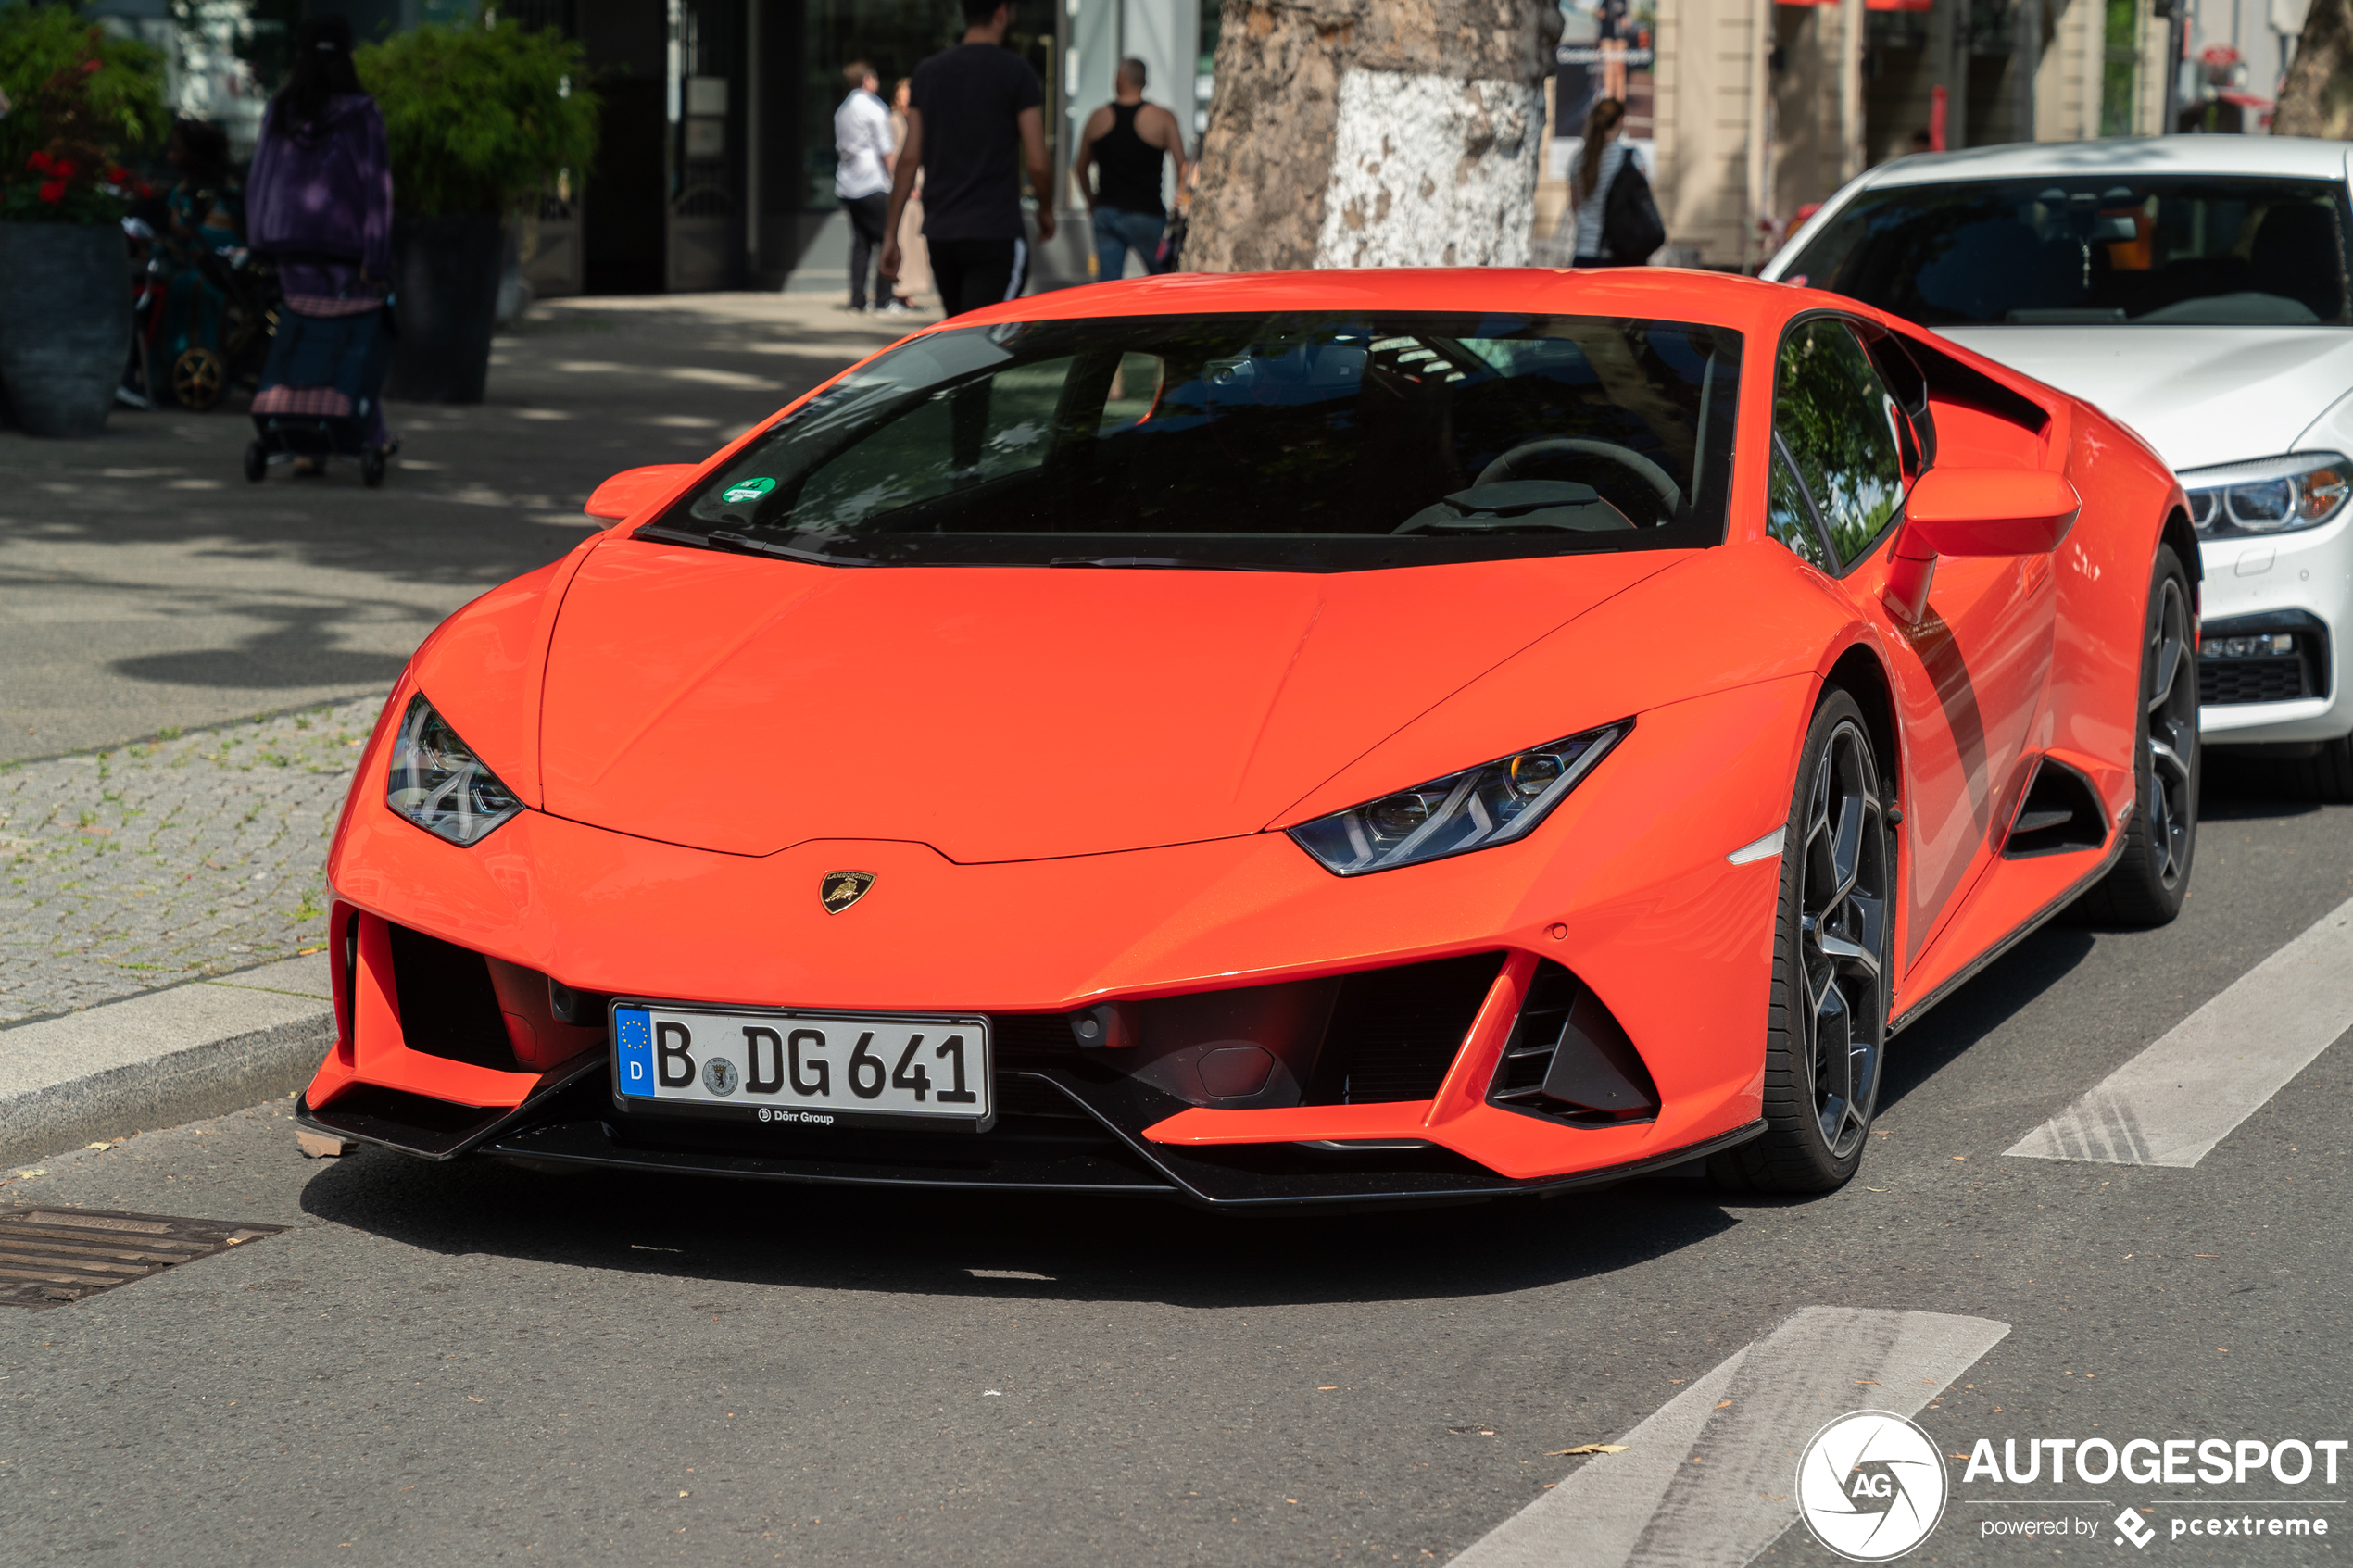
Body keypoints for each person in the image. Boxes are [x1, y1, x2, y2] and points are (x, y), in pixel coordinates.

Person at [245, 15, 395, 468]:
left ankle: (303, 442)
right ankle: (365, 433)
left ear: (300, 56)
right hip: (347, 246)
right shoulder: (364, 113)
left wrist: (259, 238)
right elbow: (377, 188)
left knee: (304, 335)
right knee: (349, 340)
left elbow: (261, 177)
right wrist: (378, 254)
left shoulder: (281, 109)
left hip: (290, 239)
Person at [881, 0, 1056, 317]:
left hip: (942, 234)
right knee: (987, 340)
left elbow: (908, 159)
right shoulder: (1016, 71)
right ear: (1002, 12)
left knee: (964, 336)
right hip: (995, 232)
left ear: (963, 14)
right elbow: (1038, 161)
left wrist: (891, 235)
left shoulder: (927, 73)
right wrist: (1045, 209)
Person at [1075, 56, 1189, 282]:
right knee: (1166, 282)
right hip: (1147, 213)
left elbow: (1080, 168)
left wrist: (1091, 201)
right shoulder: (1163, 118)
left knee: (1108, 287)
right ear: (1144, 82)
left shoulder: (1097, 118)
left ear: (1120, 79)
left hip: (1106, 212)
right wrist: (1180, 203)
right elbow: (1182, 166)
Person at [833, 61, 896, 312]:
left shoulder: (843, 110)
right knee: (887, 239)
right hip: (872, 182)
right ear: (868, 80)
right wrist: (897, 179)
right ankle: (884, 300)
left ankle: (857, 300)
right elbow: (886, 149)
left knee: (861, 243)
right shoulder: (874, 107)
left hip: (849, 184)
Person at [886, 77, 929, 311]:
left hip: (917, 192)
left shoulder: (917, 121)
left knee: (915, 244)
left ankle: (909, 292)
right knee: (903, 241)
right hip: (905, 192)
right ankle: (899, 292)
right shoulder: (893, 121)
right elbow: (893, 158)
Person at [1571, 96, 1630, 267]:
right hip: (1617, 253)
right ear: (1620, 120)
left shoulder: (1578, 159)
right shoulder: (1630, 159)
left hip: (1583, 251)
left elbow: (1575, 205)